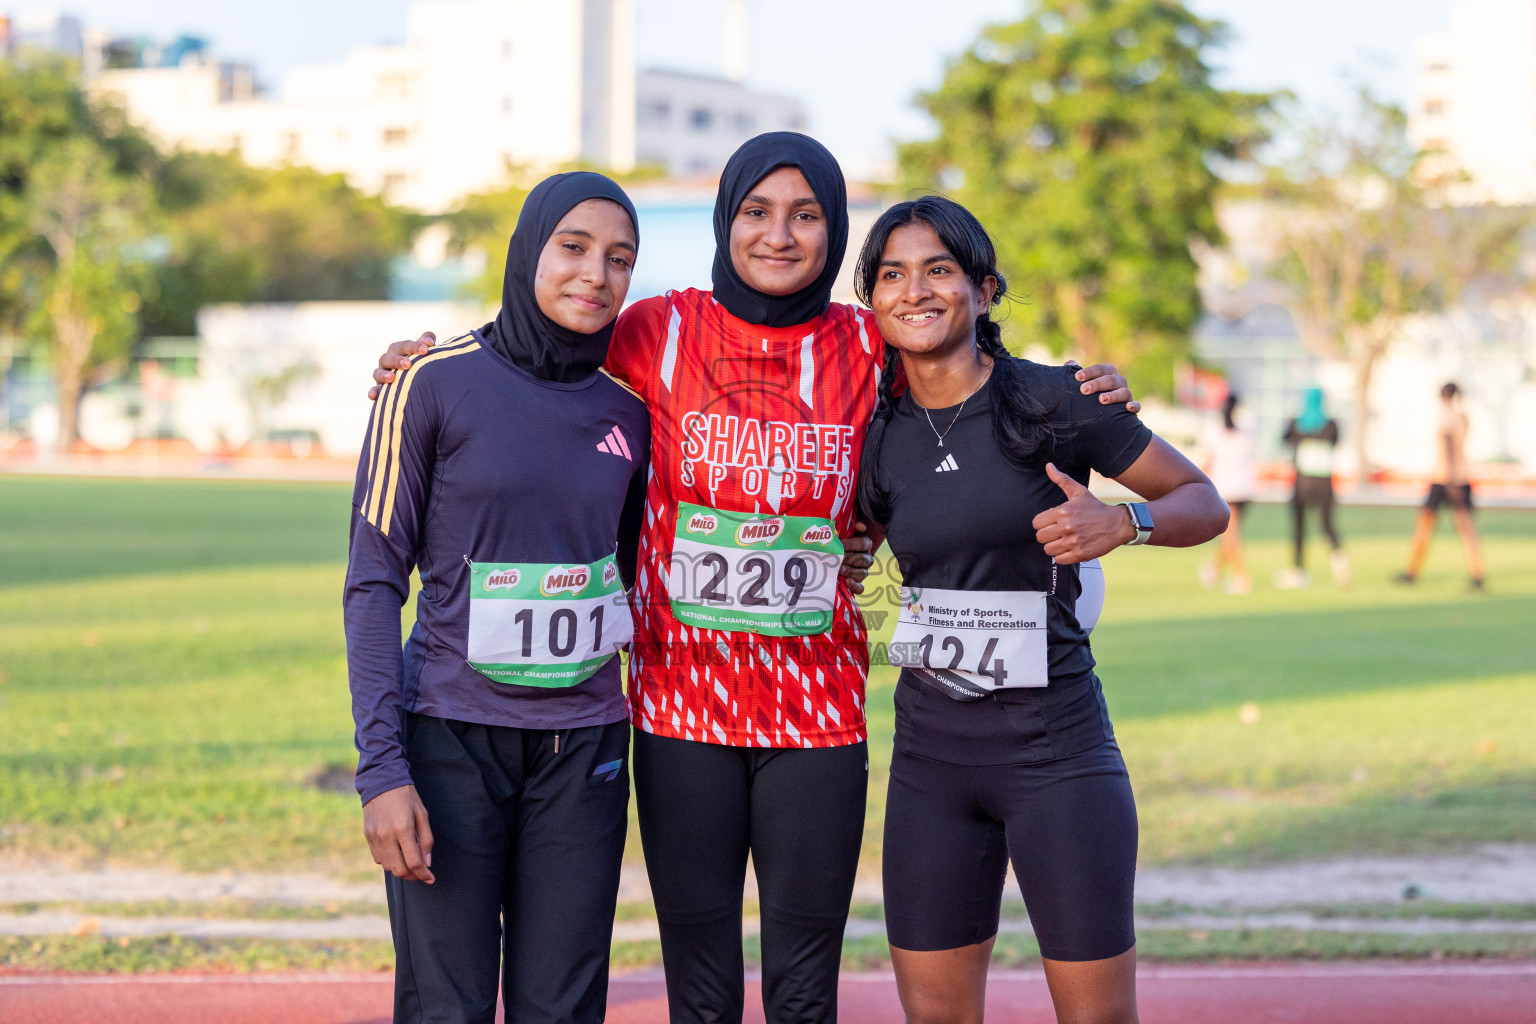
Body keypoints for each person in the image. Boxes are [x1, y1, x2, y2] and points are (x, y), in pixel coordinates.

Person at [364, 133, 1139, 1024]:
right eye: (756, 213)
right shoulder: (652, 330)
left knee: (804, 987)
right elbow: (539, 345)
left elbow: (964, 382)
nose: (780, 235)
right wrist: (419, 360)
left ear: (834, 231)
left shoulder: (869, 342)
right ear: (726, 221)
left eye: (806, 216)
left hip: (816, 714)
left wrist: (1080, 395)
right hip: (678, 707)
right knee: (698, 985)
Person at [855, 196, 1228, 1024]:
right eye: (892, 274)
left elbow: (1205, 502)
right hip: (928, 763)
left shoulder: (1059, 401)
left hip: (1056, 756)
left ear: (984, 290)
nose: (915, 289)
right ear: (871, 301)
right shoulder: (871, 430)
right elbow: (859, 543)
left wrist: (1123, 522)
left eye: (939, 270)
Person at [344, 172, 649, 1024]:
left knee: (563, 1008)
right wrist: (381, 772)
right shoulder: (431, 382)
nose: (596, 275)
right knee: (450, 1006)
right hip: (449, 742)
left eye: (620, 259)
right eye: (574, 248)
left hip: (584, 750)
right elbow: (372, 583)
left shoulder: (633, 408)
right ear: (530, 250)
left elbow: (637, 564)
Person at [1395, 382, 1485, 590]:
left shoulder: (1447, 418)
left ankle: (1412, 572)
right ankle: (1477, 575)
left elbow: (1450, 449)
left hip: (1446, 479)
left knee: (1426, 526)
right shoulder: (1463, 417)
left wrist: (1450, 481)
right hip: (1460, 479)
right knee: (1465, 529)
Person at [1278, 387, 1348, 589]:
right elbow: (1335, 443)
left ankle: (1298, 571)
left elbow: (1284, 442)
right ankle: (1340, 564)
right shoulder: (1331, 425)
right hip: (1324, 483)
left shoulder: (1297, 424)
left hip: (1302, 483)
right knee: (1327, 525)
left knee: (1299, 527)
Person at [1198, 391, 1256, 594]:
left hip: (1226, 488)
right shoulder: (1247, 427)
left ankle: (1242, 577)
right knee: (1230, 534)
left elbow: (1208, 460)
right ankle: (1213, 570)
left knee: (1230, 537)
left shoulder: (1215, 428)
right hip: (1245, 488)